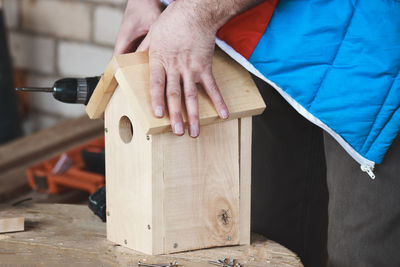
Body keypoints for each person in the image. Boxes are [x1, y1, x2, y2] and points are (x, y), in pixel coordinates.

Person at [114, 1, 400, 266]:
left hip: (366, 54)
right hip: (260, 42)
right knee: (269, 244)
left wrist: (193, 13)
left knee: (360, 253)